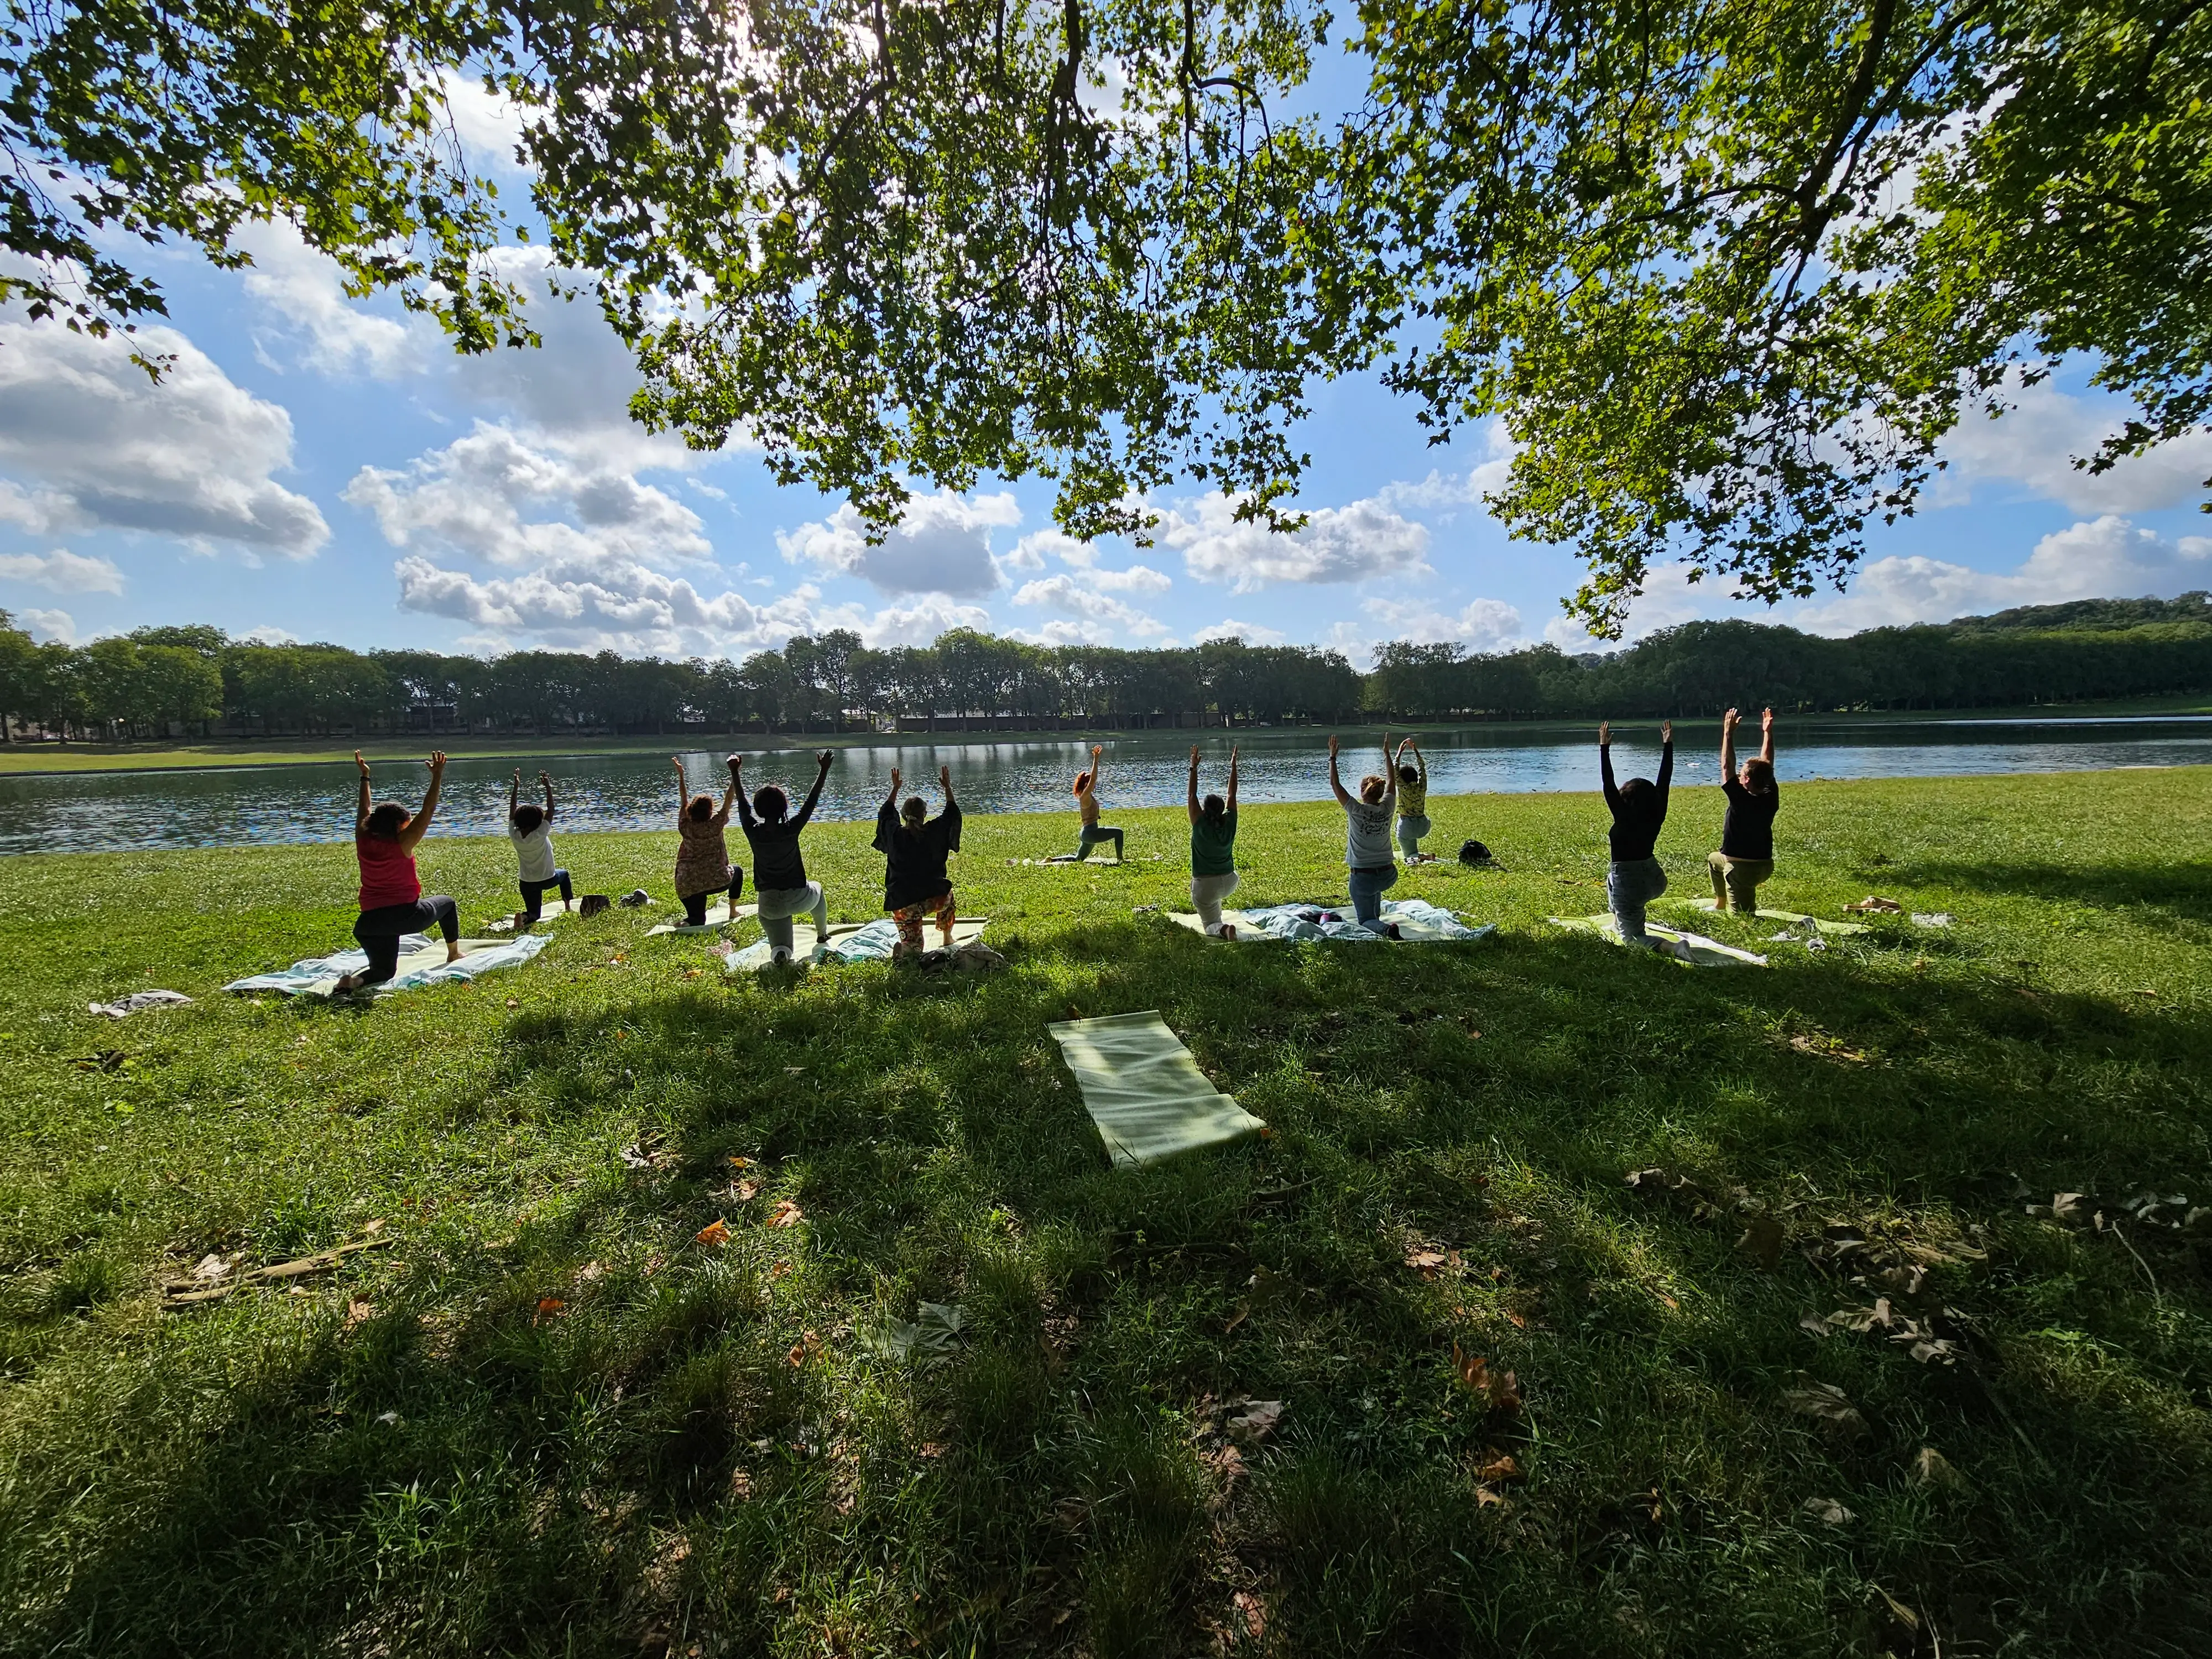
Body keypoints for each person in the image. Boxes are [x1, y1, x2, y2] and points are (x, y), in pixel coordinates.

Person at [332, 749, 462, 993]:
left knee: (384, 971)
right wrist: (437, 776)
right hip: (407, 916)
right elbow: (428, 810)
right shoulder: (402, 843)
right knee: (448, 903)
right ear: (398, 825)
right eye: (406, 823)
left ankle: (353, 982)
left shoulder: (363, 837)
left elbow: (365, 809)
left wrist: (365, 776)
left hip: (369, 924)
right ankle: (454, 954)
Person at [735, 750, 834, 963]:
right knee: (817, 888)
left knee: (782, 947)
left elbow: (742, 804)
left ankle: (781, 954)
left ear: (759, 810)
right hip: (800, 898)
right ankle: (822, 934)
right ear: (783, 808)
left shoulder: (753, 830)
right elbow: (811, 801)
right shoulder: (791, 828)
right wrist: (824, 770)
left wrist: (735, 772)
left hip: (770, 904)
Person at [1599, 718, 1674, 947]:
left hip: (1630, 884)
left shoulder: (1623, 816)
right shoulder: (1657, 812)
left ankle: (1674, 947)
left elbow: (1608, 782)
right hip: (1655, 879)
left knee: (1632, 940)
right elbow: (1665, 779)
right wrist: (1668, 745)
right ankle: (1618, 921)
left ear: (1625, 799)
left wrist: (1604, 748)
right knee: (1610, 879)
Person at [876, 763, 962, 957]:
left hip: (904, 903)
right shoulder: (934, 831)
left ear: (903, 816)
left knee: (914, 948)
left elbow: (885, 814)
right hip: (935, 897)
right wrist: (947, 787)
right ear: (924, 814)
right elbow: (951, 813)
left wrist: (895, 789)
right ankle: (947, 937)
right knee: (948, 895)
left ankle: (907, 947)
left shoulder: (895, 834)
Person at [1710, 707, 1780, 913]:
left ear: (1747, 780)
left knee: (1743, 919)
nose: (1739, 777)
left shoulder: (1741, 798)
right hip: (1765, 866)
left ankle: (1737, 908)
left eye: (1741, 775)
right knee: (1714, 859)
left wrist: (1728, 733)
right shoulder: (1770, 795)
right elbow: (1767, 764)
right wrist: (1767, 732)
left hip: (1741, 870)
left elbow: (1727, 767)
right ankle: (1719, 903)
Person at [1328, 733, 1399, 936]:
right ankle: (1377, 920)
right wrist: (1387, 754)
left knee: (1365, 920)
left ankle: (1386, 931)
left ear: (1362, 792)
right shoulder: (1388, 806)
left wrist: (1333, 757)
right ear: (1380, 793)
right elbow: (1392, 781)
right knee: (1373, 893)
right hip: (1388, 874)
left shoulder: (1356, 810)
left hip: (1363, 876)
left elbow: (1335, 784)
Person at [673, 755, 743, 926]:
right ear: (710, 812)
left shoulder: (685, 826)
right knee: (738, 871)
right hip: (717, 880)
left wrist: (681, 775)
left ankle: (689, 921)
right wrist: (735, 772)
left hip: (687, 883)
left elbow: (683, 800)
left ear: (691, 811)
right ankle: (733, 911)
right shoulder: (715, 825)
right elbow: (729, 798)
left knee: (697, 920)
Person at [1187, 744, 1241, 939]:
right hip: (1230, 881)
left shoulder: (1199, 822)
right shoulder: (1229, 821)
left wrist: (1194, 767)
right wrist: (1233, 766)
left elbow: (1191, 795)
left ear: (1204, 809)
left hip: (1206, 885)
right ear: (1221, 808)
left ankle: (1223, 929)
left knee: (1209, 924)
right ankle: (1219, 919)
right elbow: (1232, 795)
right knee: (1214, 896)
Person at [508, 769, 572, 927]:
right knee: (564, 874)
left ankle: (524, 917)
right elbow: (551, 810)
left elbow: (512, 810)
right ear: (538, 821)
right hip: (547, 879)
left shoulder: (514, 834)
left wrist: (516, 787)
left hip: (526, 882)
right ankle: (568, 906)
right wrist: (548, 787)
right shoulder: (540, 833)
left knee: (535, 914)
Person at [1050, 744, 1124, 862]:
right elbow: (1093, 778)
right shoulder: (1085, 796)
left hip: (1088, 833)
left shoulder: (1087, 796)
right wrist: (1096, 759)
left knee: (1078, 859)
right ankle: (1120, 860)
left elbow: (1093, 780)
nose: (1093, 785)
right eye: (1090, 783)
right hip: (1090, 833)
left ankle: (1052, 860)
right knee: (1119, 833)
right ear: (1086, 784)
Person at [1394, 737, 1431, 861]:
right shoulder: (1422, 786)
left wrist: (1399, 752)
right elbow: (1422, 768)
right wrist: (1415, 750)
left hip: (1407, 826)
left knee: (1408, 855)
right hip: (1423, 825)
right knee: (1402, 828)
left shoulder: (1403, 787)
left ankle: (1422, 856)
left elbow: (1394, 769)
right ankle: (1416, 852)